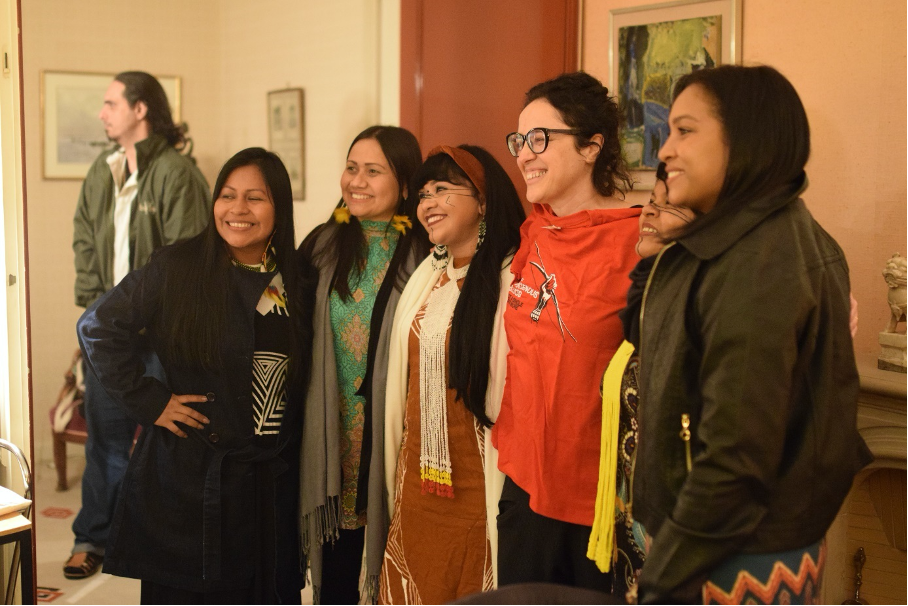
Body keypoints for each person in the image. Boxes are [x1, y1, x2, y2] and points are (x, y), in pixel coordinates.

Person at [632, 65, 871, 604]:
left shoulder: (761, 260)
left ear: (746, 139)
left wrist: (660, 580)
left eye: (685, 131)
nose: (664, 151)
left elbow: (736, 459)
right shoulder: (724, 238)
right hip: (708, 544)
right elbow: (646, 333)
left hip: (734, 559)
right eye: (667, 131)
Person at [77, 148, 312, 604]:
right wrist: (152, 401)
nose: (237, 210)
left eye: (255, 198)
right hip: (190, 479)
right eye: (227, 196)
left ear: (280, 208)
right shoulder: (178, 268)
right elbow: (98, 327)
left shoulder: (298, 279)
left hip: (269, 489)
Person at [493, 71, 641, 594]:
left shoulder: (636, 243)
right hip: (524, 487)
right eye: (518, 141)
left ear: (590, 146)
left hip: (594, 506)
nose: (524, 154)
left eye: (540, 138)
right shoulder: (534, 230)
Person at [67, 70, 210, 580]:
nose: (103, 114)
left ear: (141, 109)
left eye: (110, 103)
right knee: (103, 439)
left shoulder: (177, 174)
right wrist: (95, 309)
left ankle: (151, 540)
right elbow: (84, 239)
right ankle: (93, 536)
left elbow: (186, 259)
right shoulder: (101, 171)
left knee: (161, 442)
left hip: (160, 339)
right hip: (111, 338)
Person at [380, 145, 525, 604]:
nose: (428, 203)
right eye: (423, 194)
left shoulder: (511, 278)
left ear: (482, 201)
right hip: (419, 485)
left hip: (480, 484)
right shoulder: (427, 275)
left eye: (443, 190)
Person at [300, 126, 429, 605]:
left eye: (373, 171)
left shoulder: (424, 252)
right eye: (352, 167)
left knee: (395, 571)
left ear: (404, 182)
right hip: (331, 438)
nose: (357, 180)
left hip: (393, 438)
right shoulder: (322, 245)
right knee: (335, 574)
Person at [587, 162, 695, 595]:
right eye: (651, 200)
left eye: (668, 206)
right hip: (630, 532)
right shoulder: (648, 296)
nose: (648, 213)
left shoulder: (697, 306)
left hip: (675, 539)